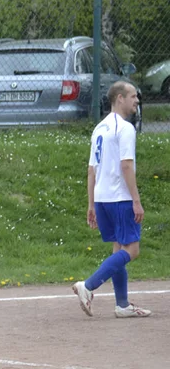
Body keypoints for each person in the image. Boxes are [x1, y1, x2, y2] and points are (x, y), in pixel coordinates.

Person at [72, 81, 151, 319]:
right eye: (133, 96)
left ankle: (122, 305)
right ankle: (88, 286)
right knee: (132, 250)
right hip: (120, 198)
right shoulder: (124, 128)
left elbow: (91, 170)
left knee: (118, 248)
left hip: (102, 199)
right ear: (119, 98)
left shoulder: (99, 128)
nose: (137, 100)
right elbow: (126, 165)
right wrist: (136, 200)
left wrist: (91, 204)